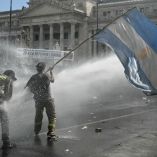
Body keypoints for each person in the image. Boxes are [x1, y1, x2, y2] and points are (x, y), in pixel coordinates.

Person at [25, 62, 57, 140]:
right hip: (48, 99)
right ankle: (51, 132)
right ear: (44, 68)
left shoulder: (33, 77)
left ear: (37, 69)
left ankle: (36, 131)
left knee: (38, 116)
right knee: (52, 116)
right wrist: (51, 71)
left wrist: (34, 93)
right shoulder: (47, 75)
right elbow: (52, 80)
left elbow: (27, 87)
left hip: (38, 100)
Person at [0, 70, 17, 149]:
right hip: (1, 104)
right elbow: (8, 97)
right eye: (13, 78)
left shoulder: (1, 76)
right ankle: (6, 143)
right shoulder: (8, 79)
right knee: (5, 121)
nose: (13, 81)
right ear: (10, 75)